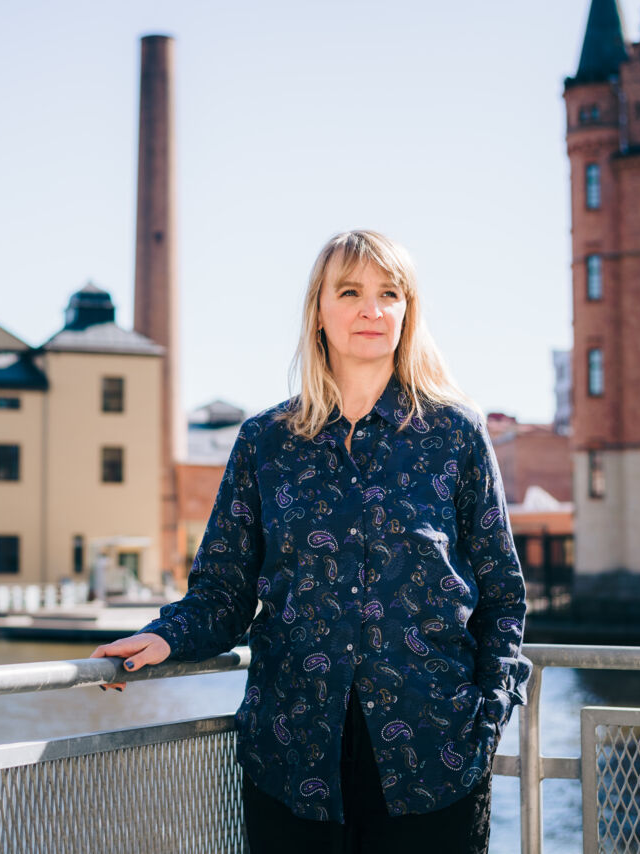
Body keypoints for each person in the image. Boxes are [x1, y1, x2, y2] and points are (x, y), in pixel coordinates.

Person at [91, 230, 531, 852]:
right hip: (294, 757)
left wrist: (486, 719)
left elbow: (502, 595)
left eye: (389, 294)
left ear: (408, 313)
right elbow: (224, 589)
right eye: (349, 292)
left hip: (434, 759)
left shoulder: (454, 435)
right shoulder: (265, 442)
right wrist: (166, 636)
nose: (371, 310)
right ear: (319, 312)